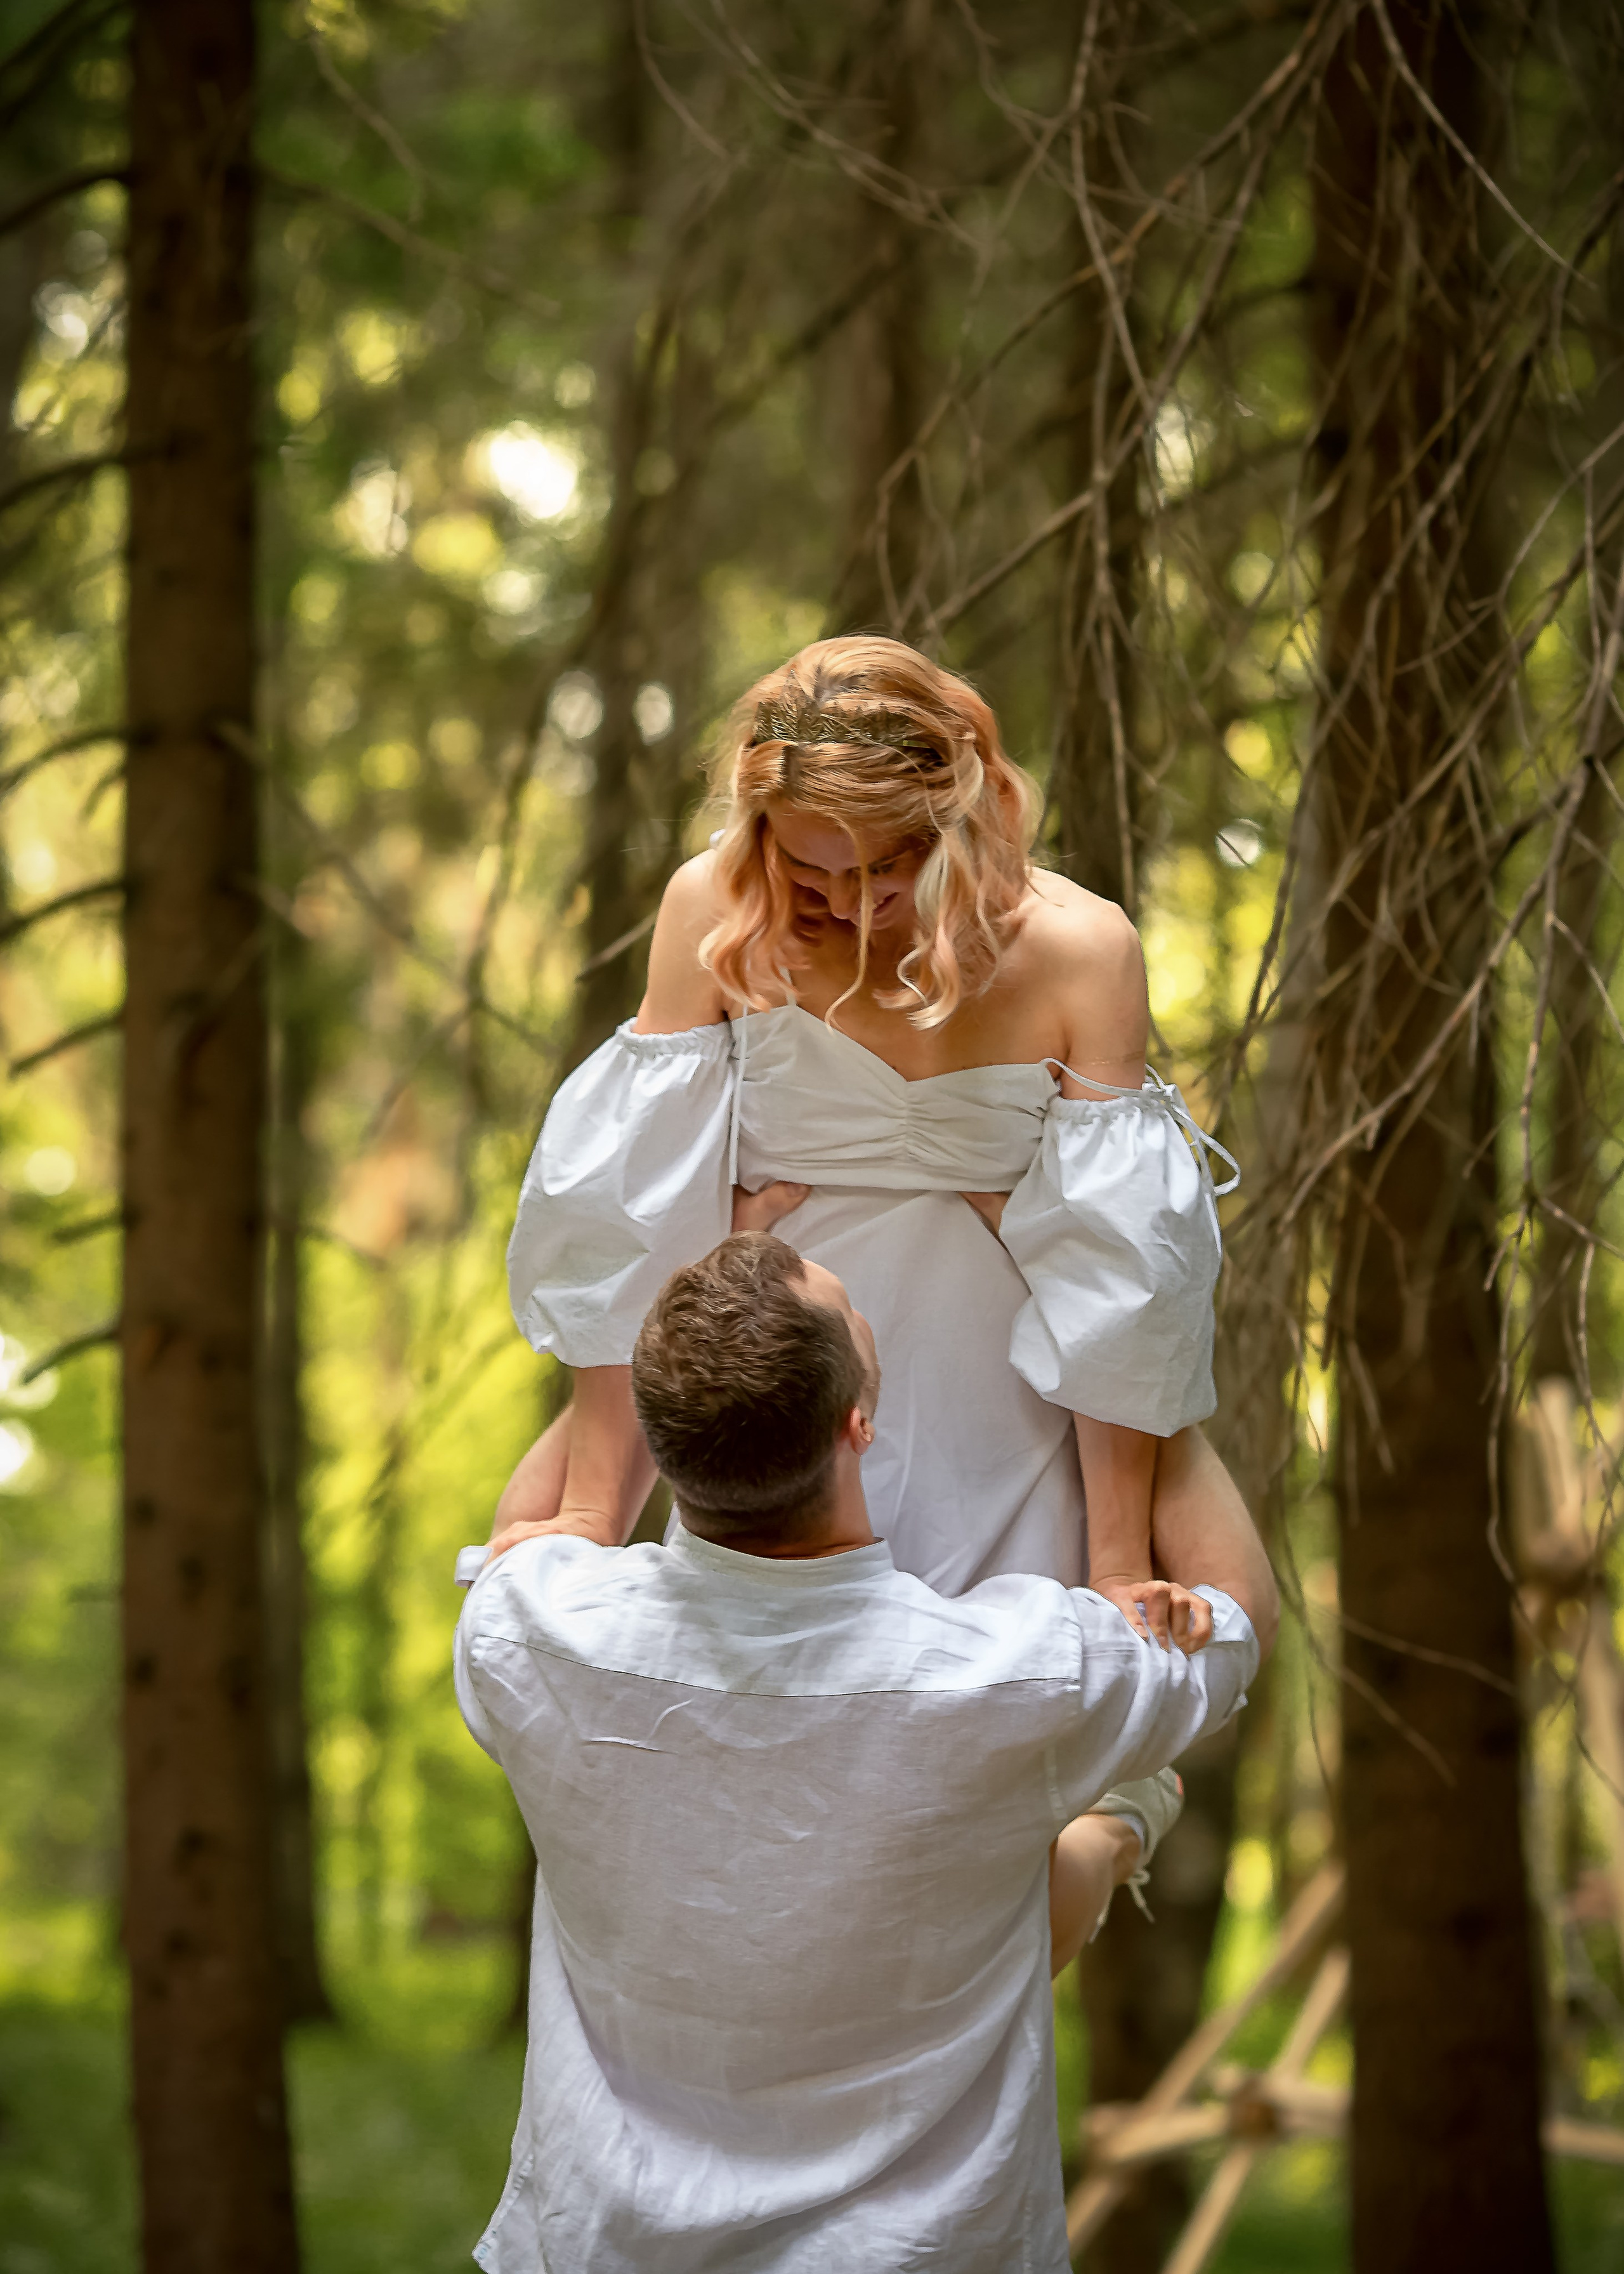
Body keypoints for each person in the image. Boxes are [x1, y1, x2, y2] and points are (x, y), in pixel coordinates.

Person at [499, 633, 1237, 1872]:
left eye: (894, 864)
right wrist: (590, 1507)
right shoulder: (708, 913)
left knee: (983, 1792)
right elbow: (627, 1224)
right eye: (812, 871)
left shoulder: (1079, 948)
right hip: (790, 1366)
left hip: (1007, 1368)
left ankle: (1086, 1864)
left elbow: (1126, 1276)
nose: (854, 906)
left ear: (962, 811)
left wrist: (1115, 1562)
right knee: (776, 1780)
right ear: (757, 830)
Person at [456, 1233, 1277, 2273]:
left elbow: (534, 1531)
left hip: (600, 2251)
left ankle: (1119, 1829)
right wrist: (1130, 1364)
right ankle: (1123, 1826)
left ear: (661, 1445)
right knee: (1037, 1874)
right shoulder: (1013, 1676)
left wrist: (649, 1321)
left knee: (1023, 1884)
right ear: (859, 1423)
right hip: (920, 2256)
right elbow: (1239, 1616)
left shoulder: (535, 1636)